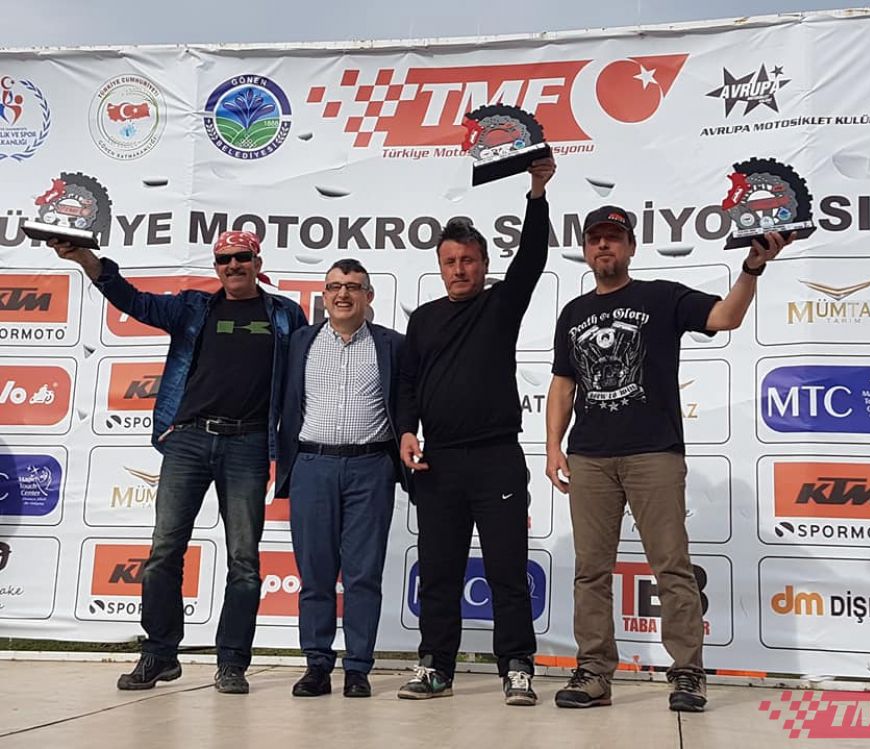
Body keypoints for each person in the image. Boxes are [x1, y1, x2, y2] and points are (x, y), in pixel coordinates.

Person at [544, 206, 793, 712]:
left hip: (653, 452)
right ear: (586, 250)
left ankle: (687, 674)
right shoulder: (573, 313)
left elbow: (725, 317)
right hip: (590, 456)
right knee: (591, 571)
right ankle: (593, 673)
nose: (604, 246)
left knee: (671, 567)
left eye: (614, 237)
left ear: (631, 247)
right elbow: (563, 383)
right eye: (595, 239)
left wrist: (752, 268)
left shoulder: (660, 296)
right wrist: (552, 444)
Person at [48, 231, 307, 694]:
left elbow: (307, 374)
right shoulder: (193, 307)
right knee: (163, 552)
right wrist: (85, 259)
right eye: (224, 259)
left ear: (257, 261)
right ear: (217, 267)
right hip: (188, 439)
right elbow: (133, 300)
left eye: (241, 257)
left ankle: (232, 664)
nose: (232, 266)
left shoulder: (286, 314)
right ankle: (159, 654)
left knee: (244, 561)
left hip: (248, 443)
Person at [395, 156, 556, 706]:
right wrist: (406, 431)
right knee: (438, 571)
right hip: (438, 463)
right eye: (450, 261)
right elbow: (408, 384)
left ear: (484, 263)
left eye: (468, 260)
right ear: (440, 267)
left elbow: (531, 258)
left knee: (506, 569)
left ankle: (517, 668)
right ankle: (435, 667)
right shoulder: (423, 319)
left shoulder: (500, 303)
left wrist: (537, 194)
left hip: (496, 460)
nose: (459, 269)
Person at [275, 258, 405, 699]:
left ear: (369, 296)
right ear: (324, 295)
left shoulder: (393, 345)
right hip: (312, 466)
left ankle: (358, 668)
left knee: (363, 575)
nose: (343, 294)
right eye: (334, 286)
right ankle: (316, 664)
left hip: (371, 467)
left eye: (352, 286)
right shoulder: (300, 342)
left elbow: (409, 402)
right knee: (315, 573)